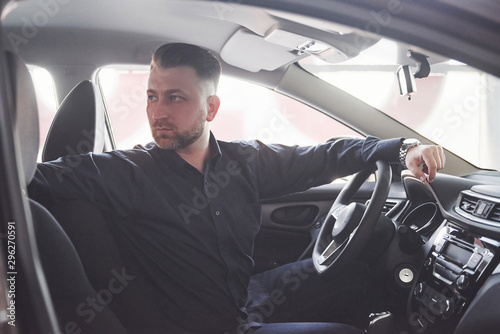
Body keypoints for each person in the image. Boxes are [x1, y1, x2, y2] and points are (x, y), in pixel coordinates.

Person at [29, 43, 446, 334]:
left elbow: (326, 156)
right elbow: (30, 181)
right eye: (152, 97)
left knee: (355, 275)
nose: (157, 112)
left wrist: (404, 147)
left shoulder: (244, 161)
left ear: (211, 108)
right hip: (208, 327)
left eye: (175, 98)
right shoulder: (125, 171)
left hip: (244, 299)